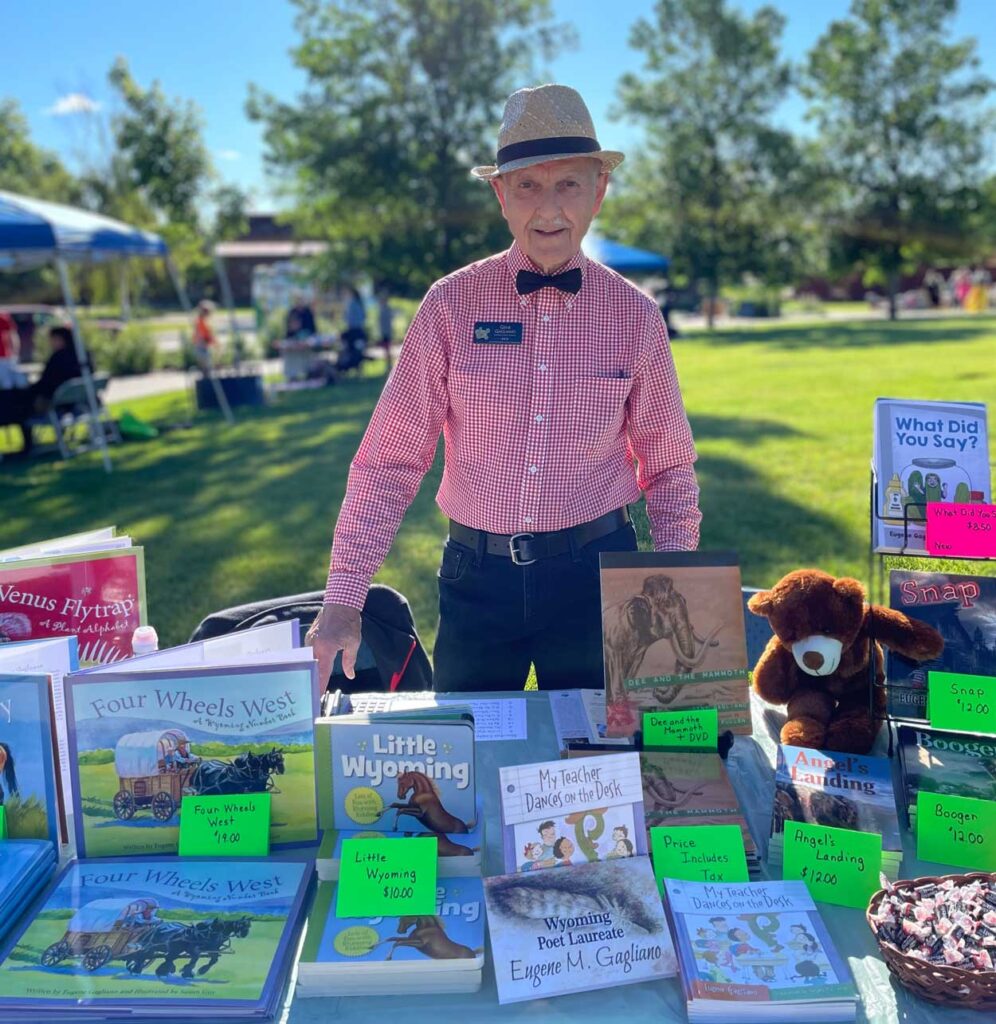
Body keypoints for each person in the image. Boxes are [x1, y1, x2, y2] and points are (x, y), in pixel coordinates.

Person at [307, 84, 700, 693]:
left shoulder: (635, 316)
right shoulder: (448, 306)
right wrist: (344, 597)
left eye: (568, 184)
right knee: (467, 761)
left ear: (599, 190)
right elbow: (389, 461)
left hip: (597, 578)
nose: (549, 209)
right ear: (500, 195)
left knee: (600, 762)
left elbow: (669, 467)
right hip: (477, 580)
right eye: (527, 186)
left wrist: (676, 582)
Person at [0, 325, 85, 456]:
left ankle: (27, 445)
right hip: (74, 402)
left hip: (52, 402)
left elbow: (46, 383)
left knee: (12, 402)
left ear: (60, 339)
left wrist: (27, 389)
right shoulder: (81, 355)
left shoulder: (59, 358)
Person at [338, 286, 368, 371]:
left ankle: (346, 366)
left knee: (351, 350)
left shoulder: (352, 304)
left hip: (354, 331)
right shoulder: (360, 303)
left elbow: (348, 319)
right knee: (358, 352)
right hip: (360, 331)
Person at [192, 300, 217, 369]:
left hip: (203, 346)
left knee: (206, 366)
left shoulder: (203, 321)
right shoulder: (201, 322)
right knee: (206, 366)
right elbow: (206, 336)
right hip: (202, 346)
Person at [376, 285, 396, 372]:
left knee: (387, 349)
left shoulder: (386, 309)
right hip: (384, 330)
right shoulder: (384, 309)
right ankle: (388, 364)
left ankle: (389, 364)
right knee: (386, 349)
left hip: (386, 331)